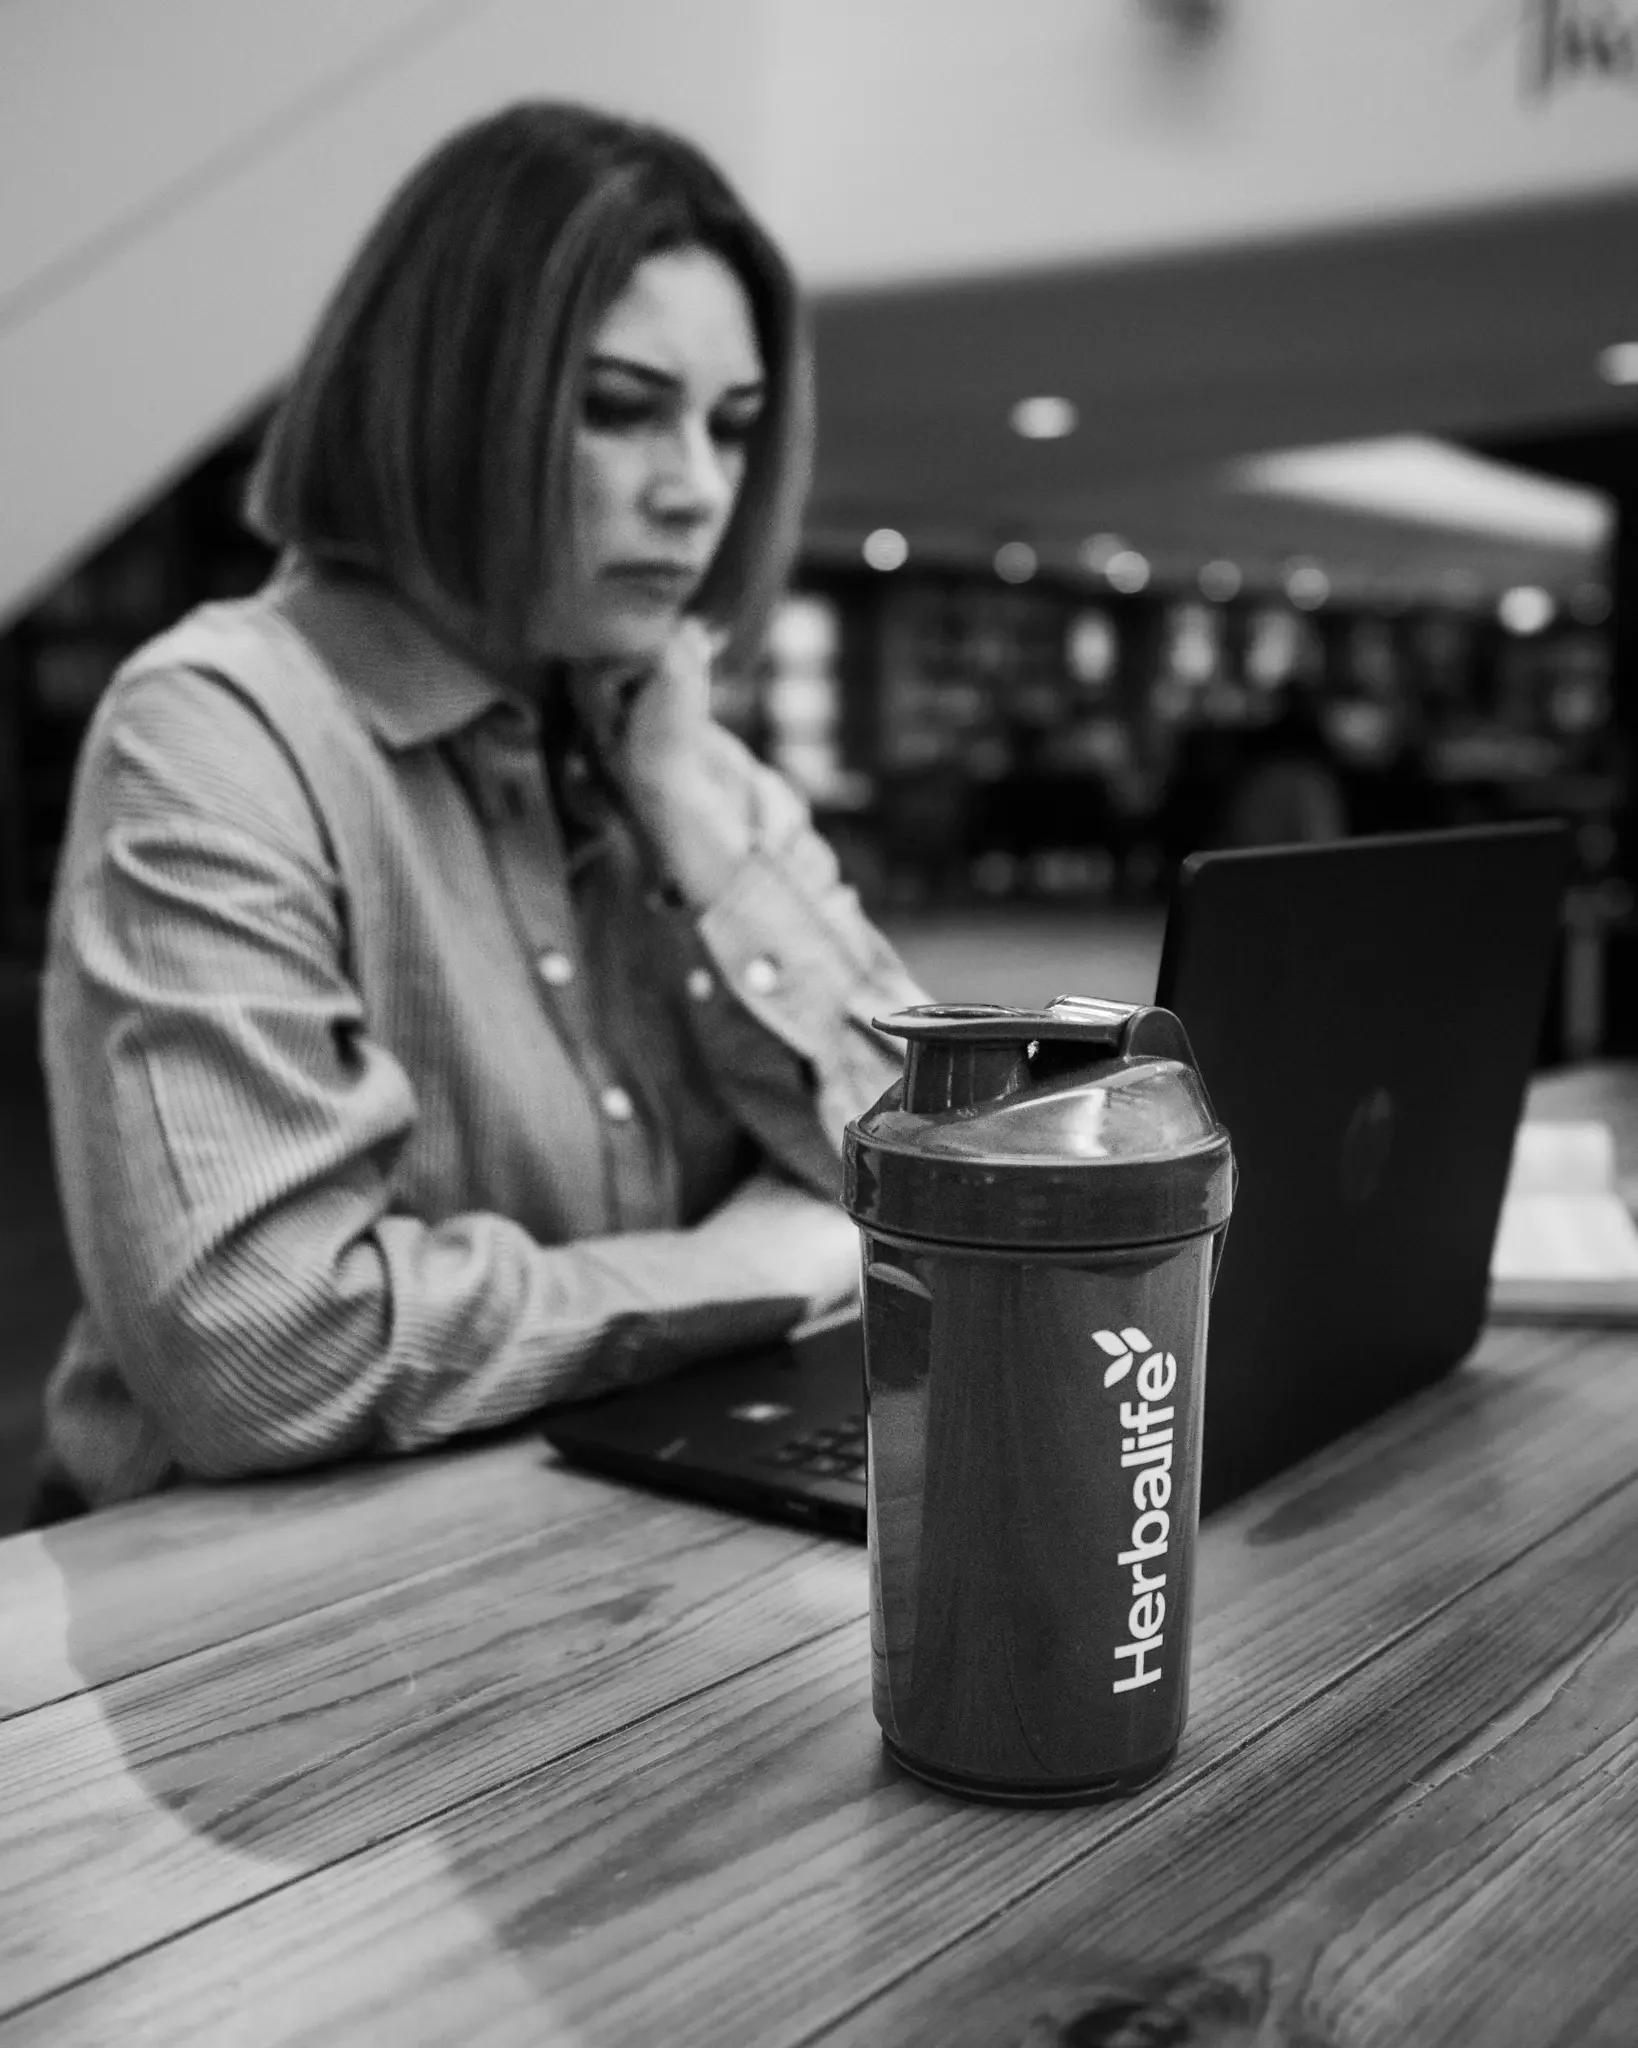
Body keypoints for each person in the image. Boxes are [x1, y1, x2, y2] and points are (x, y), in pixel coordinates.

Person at [30, 101, 927, 1519]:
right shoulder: (219, 725)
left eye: (731, 427)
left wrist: (690, 813)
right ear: (447, 398)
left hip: (605, 1521)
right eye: (621, 408)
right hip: (229, 1616)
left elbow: (928, 1169)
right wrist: (757, 1267)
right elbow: (256, 1349)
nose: (695, 490)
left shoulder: (667, 735)